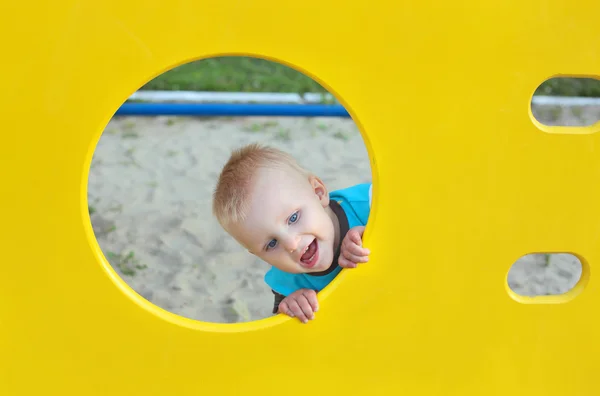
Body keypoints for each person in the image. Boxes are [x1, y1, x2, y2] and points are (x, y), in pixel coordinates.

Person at [212, 143, 372, 323]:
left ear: (318, 193)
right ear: (259, 255)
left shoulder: (368, 206)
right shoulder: (289, 284)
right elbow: (289, 328)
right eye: (272, 244)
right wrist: (293, 306)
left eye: (293, 218)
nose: (291, 244)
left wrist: (374, 235)